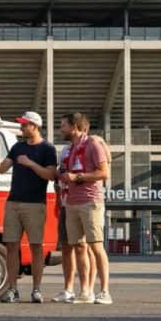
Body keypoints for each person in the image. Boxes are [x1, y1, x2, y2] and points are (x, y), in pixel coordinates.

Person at [0, 111, 57, 303]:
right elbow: (1, 168)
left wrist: (30, 163)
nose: (21, 128)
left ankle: (37, 289)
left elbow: (50, 175)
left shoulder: (47, 149)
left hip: (35, 204)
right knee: (11, 245)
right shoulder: (17, 147)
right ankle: (12, 289)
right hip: (13, 202)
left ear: (34, 126)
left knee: (36, 246)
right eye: (21, 125)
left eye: (25, 125)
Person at [58, 113, 112, 305]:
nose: (60, 129)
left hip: (91, 202)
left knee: (96, 246)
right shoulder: (70, 149)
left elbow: (104, 172)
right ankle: (85, 291)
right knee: (79, 247)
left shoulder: (93, 145)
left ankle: (105, 291)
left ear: (74, 127)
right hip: (72, 202)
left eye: (63, 125)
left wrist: (78, 178)